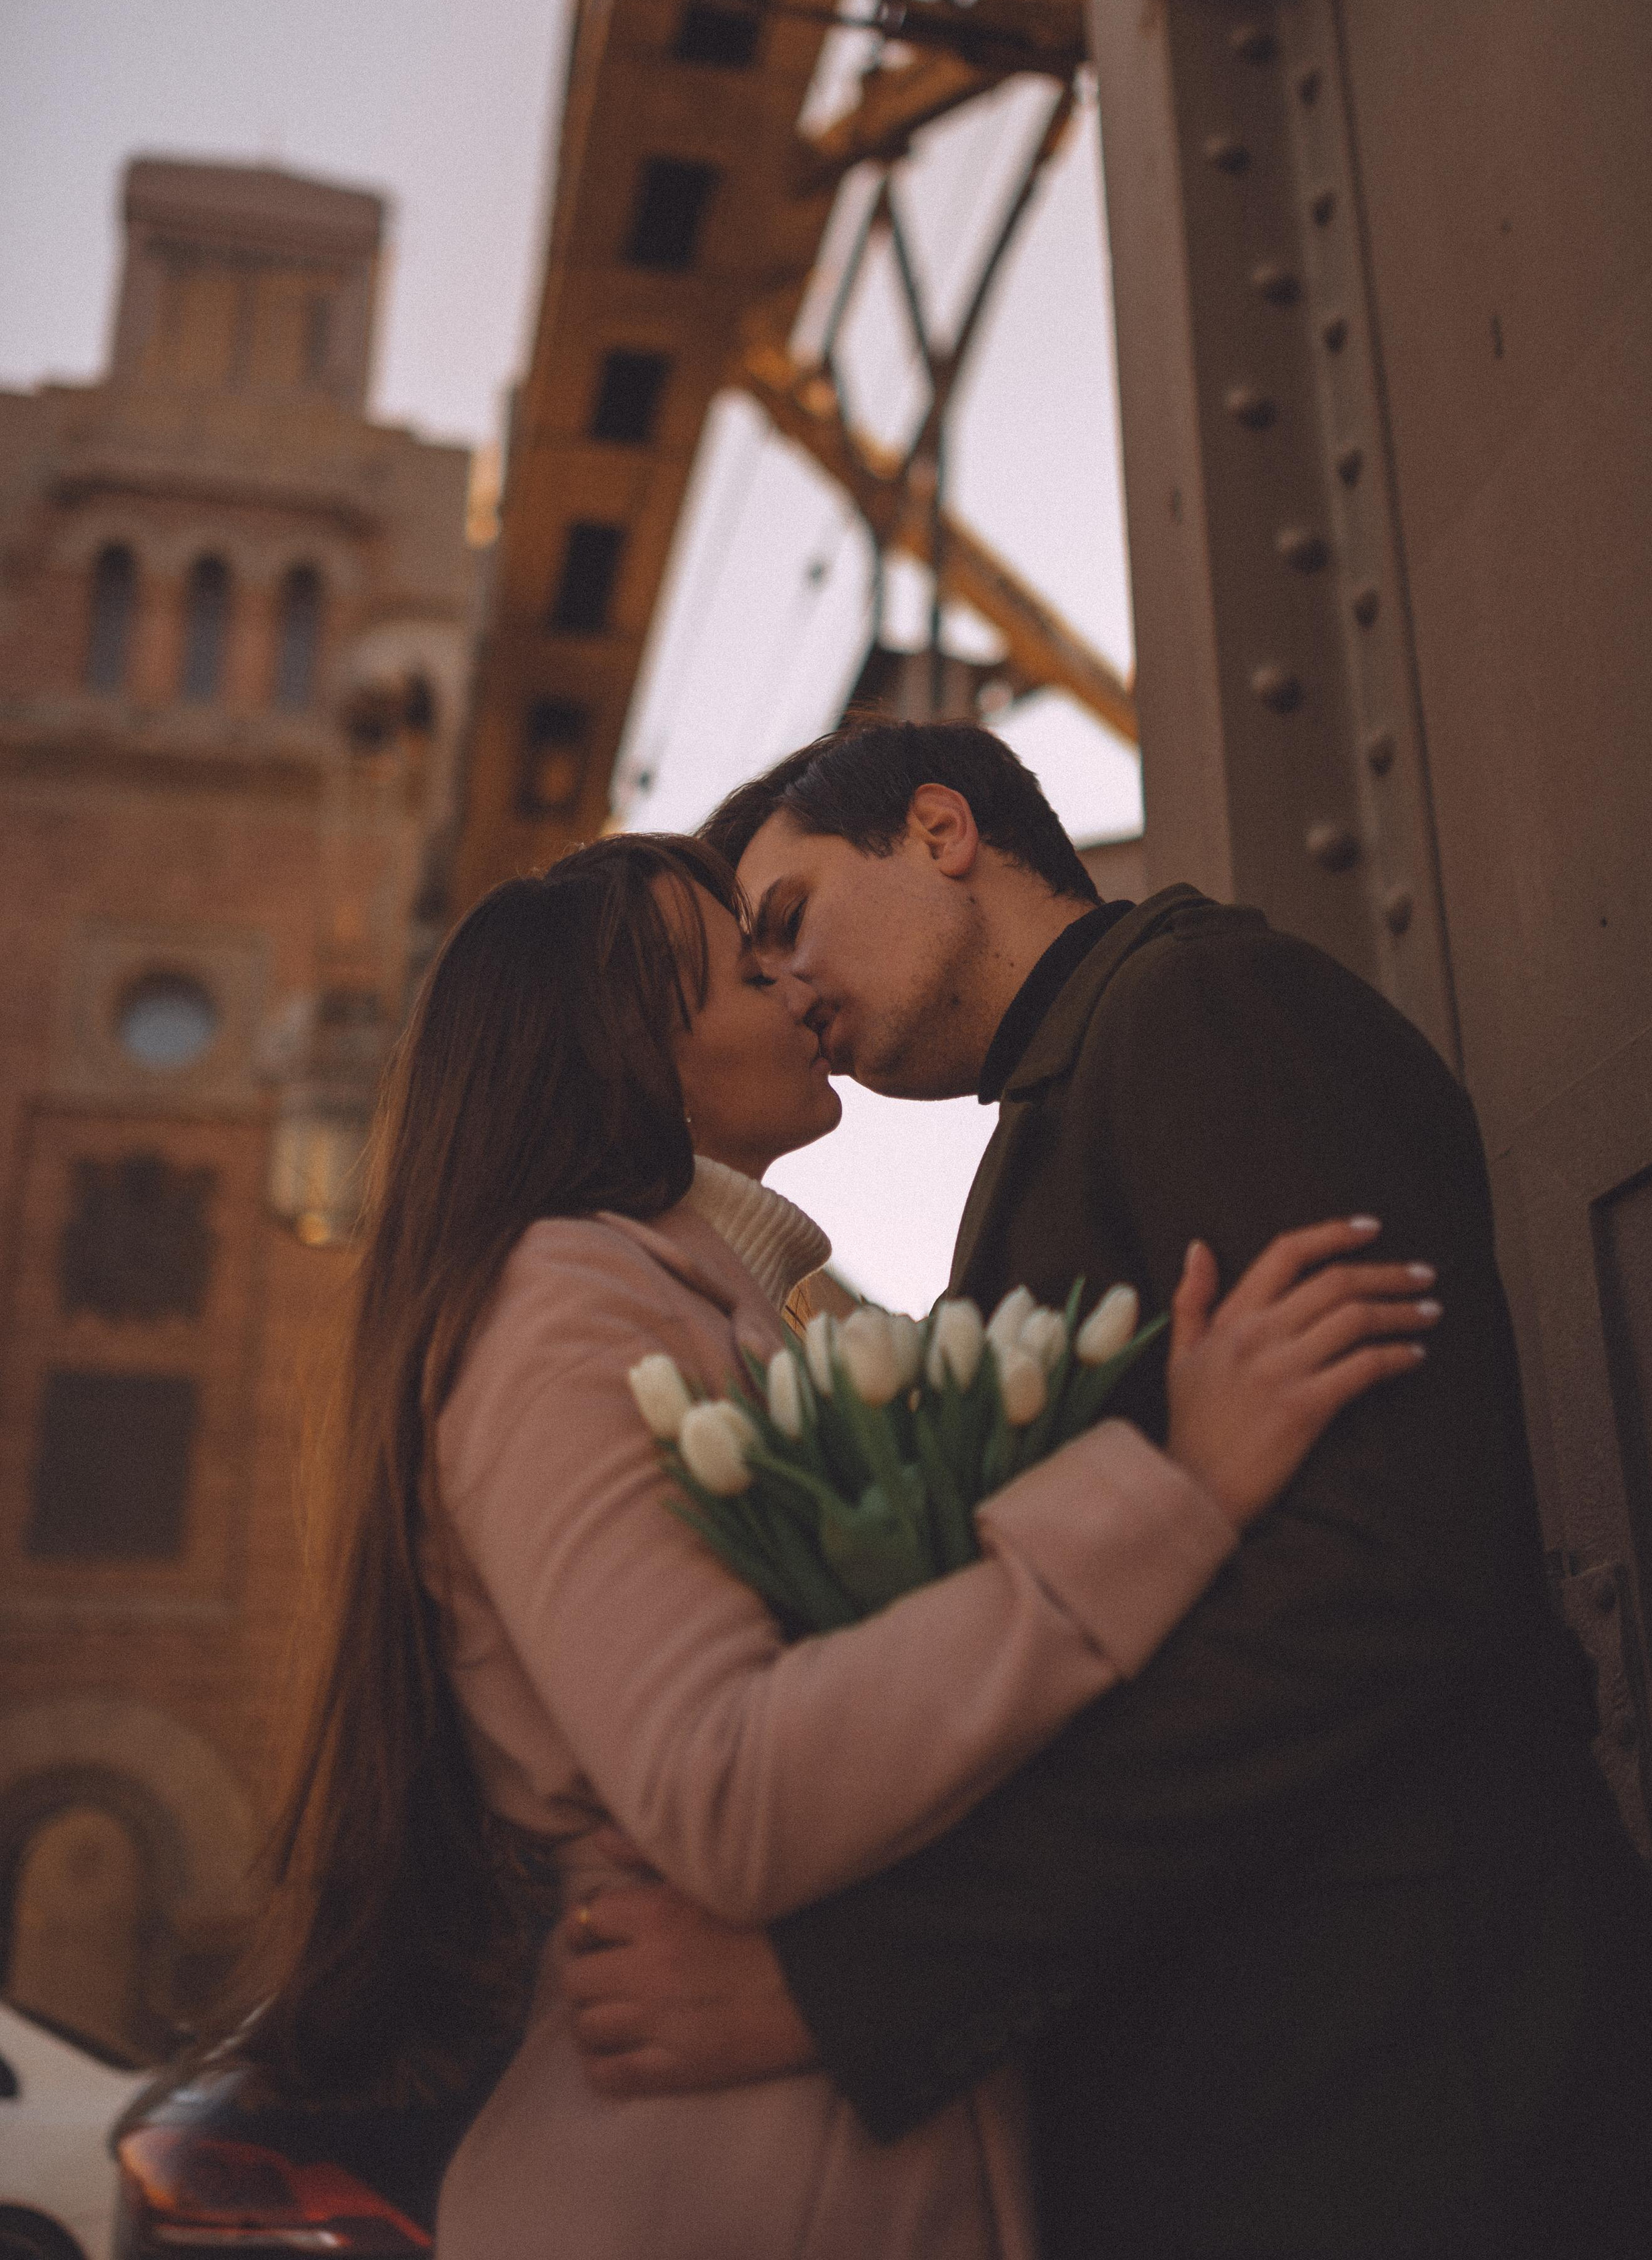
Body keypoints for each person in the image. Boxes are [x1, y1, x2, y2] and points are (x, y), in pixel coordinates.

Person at [561, 722, 1652, 2260]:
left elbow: (1376, 1575)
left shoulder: (1203, 1011)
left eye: (787, 925)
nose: (785, 992)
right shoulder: (1072, 1091)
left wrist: (873, 1975)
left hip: (1411, 2087)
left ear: (938, 828)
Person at [225, 830, 1432, 2260]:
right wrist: (1182, 1491)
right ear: (633, 1040)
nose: (797, 990)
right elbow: (721, 1780)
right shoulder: (563, 1306)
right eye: (748, 966)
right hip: (725, 2185)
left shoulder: (698, 1304)